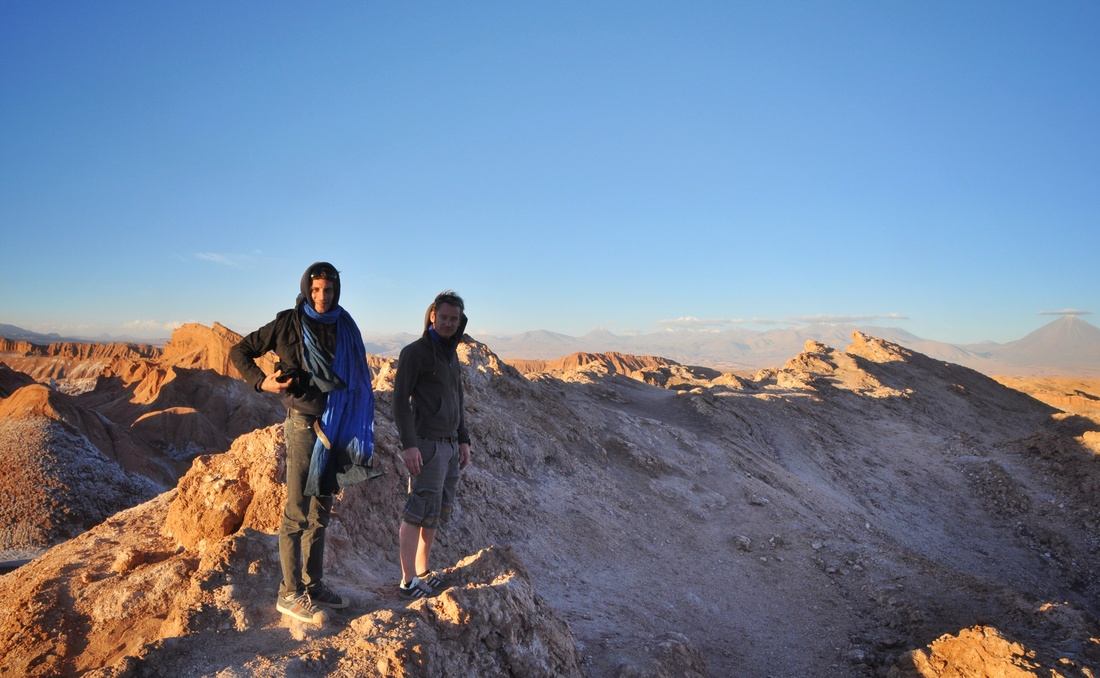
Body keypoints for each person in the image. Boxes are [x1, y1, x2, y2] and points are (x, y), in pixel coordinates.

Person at [229, 261, 375, 623]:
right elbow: (239, 352)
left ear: (336, 290)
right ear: (306, 290)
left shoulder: (345, 326)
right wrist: (263, 383)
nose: (321, 297)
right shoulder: (288, 323)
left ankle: (313, 584)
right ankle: (289, 592)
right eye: (315, 290)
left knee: (320, 512)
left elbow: (356, 375)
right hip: (303, 425)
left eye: (327, 290)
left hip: (336, 425)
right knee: (296, 511)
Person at [392, 290, 472, 599]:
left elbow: (458, 400)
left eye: (455, 319)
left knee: (435, 512)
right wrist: (409, 445)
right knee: (417, 510)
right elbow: (400, 401)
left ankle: (424, 571)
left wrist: (463, 439)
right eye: (444, 317)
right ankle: (408, 579)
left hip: (450, 445)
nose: (449, 323)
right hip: (426, 444)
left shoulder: (450, 355)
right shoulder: (416, 352)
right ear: (432, 316)